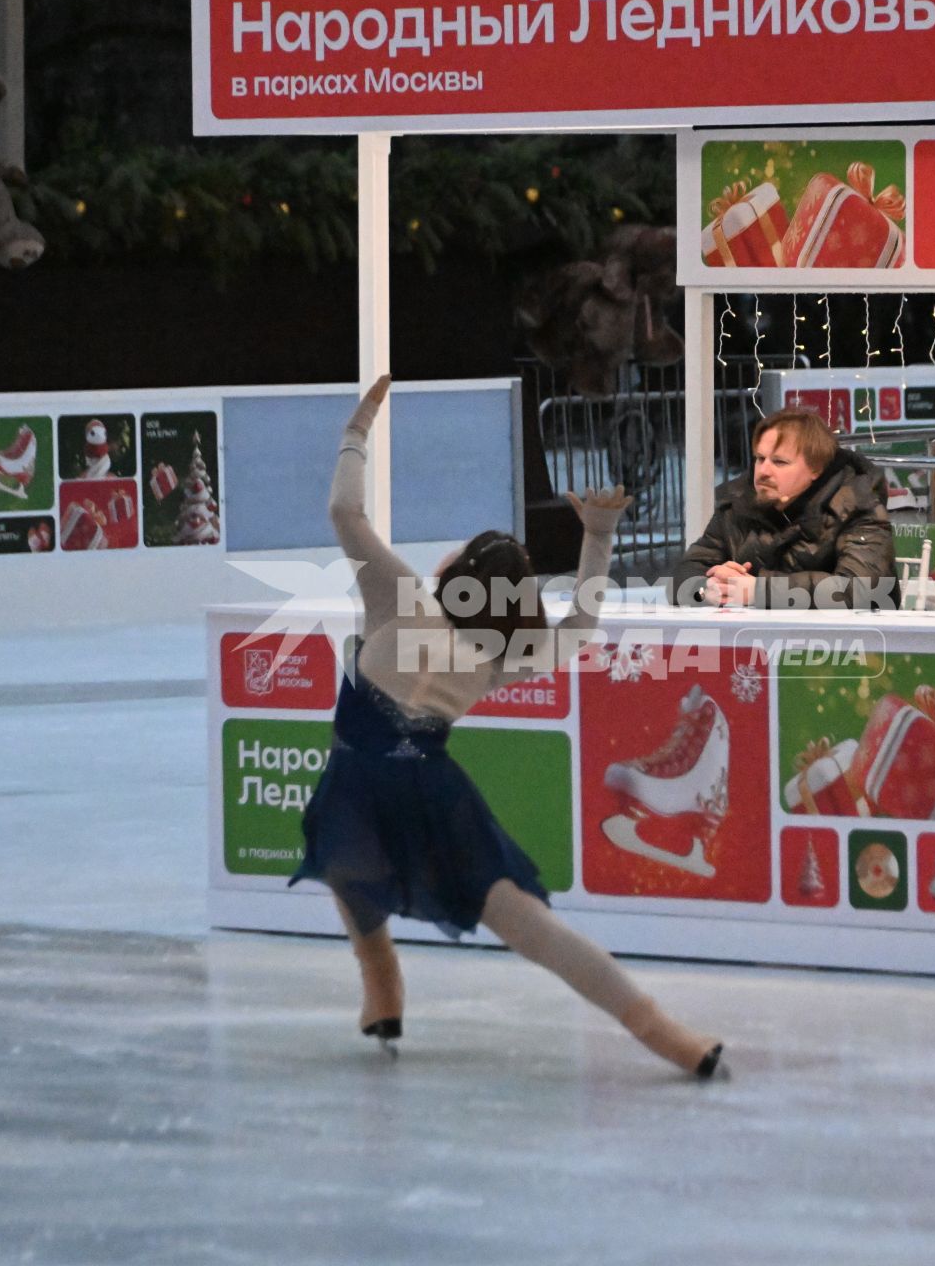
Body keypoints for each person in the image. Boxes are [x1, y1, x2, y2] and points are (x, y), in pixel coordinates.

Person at [291, 376, 724, 1079]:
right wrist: (599, 538)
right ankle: (661, 1030)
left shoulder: (401, 599)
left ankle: (382, 979)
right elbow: (580, 632)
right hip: (433, 790)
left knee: (344, 859)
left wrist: (358, 429)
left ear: (457, 572)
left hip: (358, 779)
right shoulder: (497, 655)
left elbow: (343, 507)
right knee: (528, 927)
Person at [668, 408, 896, 608]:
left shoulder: (857, 504)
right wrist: (707, 589)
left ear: (815, 469)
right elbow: (682, 577)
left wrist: (759, 591)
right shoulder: (737, 504)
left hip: (849, 650)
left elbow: (861, 588)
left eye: (779, 462)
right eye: (759, 458)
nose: (763, 471)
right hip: (755, 645)